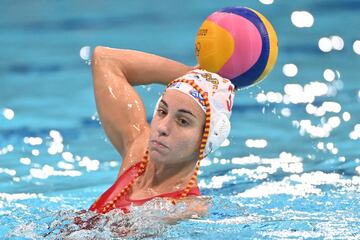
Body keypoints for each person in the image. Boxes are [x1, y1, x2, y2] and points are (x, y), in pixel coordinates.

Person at [88, 46, 236, 220]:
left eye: (183, 121)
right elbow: (105, 59)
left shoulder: (187, 208)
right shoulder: (138, 154)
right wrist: (189, 74)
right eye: (162, 112)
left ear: (208, 138)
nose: (162, 128)